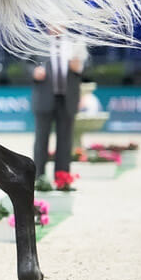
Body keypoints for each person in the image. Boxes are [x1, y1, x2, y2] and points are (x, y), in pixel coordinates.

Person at [32, 31, 87, 180]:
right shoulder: (38, 40)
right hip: (44, 97)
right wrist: (33, 72)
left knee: (65, 141)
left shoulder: (76, 42)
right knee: (41, 139)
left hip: (68, 98)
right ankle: (38, 178)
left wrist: (80, 67)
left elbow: (88, 66)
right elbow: (25, 63)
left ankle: (62, 178)